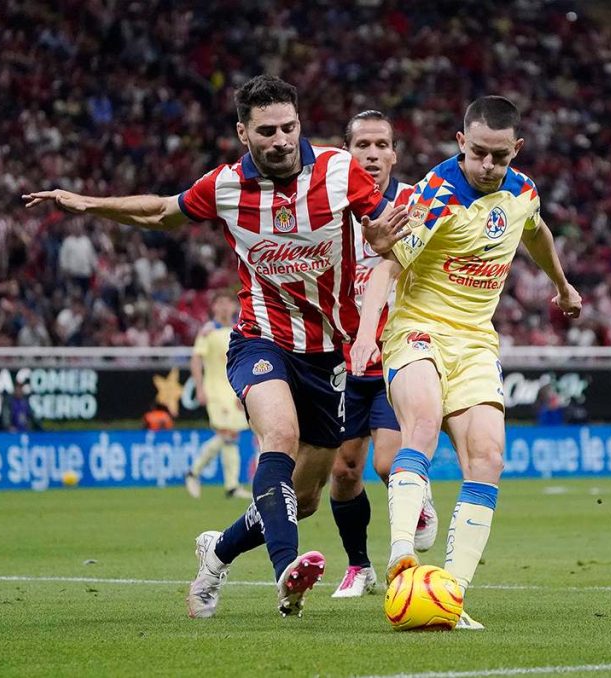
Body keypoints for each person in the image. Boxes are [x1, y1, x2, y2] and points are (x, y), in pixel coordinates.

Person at [24, 75, 409, 619]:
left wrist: (378, 237)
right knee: (278, 436)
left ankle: (216, 552)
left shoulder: (339, 169)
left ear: (300, 123)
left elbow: (377, 230)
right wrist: (85, 204)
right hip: (262, 337)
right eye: (267, 130)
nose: (280, 139)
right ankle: (287, 575)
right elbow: (161, 211)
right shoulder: (225, 186)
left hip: (331, 354)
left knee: (302, 499)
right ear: (243, 132)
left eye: (289, 127)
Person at [352, 96, 582, 629]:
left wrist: (562, 285)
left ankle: (451, 593)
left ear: (515, 150)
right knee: (424, 422)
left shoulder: (522, 192)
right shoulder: (435, 196)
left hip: (476, 341)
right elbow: (387, 267)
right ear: (461, 143)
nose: (487, 166)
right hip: (419, 331)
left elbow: (537, 231)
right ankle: (401, 559)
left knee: (489, 457)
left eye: (499, 157)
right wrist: (367, 336)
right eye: (478, 153)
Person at [329, 111, 439, 599]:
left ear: (395, 153)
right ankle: (359, 566)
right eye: (362, 145)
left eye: (381, 145)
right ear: (345, 152)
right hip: (340, 358)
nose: (372, 154)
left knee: (385, 463)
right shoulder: (328, 208)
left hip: (397, 351)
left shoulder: (415, 204)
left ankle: (418, 491)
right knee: (344, 469)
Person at [184, 291, 252, 500]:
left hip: (233, 390)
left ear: (234, 306)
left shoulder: (238, 329)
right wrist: (200, 388)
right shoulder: (208, 331)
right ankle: (193, 473)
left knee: (231, 436)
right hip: (215, 389)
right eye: (219, 303)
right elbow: (196, 360)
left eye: (227, 302)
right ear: (213, 308)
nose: (224, 307)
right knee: (227, 433)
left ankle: (231, 487)